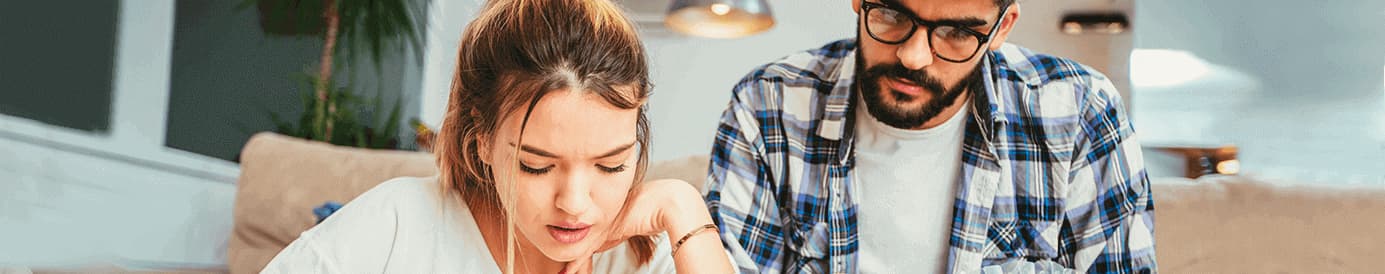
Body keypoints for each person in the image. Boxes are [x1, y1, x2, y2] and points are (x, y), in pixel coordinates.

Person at [263, 0, 733, 273]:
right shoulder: (395, 226)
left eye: (611, 165)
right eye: (536, 165)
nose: (575, 203)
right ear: (481, 138)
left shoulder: (650, 252)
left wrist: (684, 207)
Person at [704, 0, 1156, 272]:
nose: (913, 55)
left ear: (1002, 27)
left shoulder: (1080, 113)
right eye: (892, 14)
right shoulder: (769, 104)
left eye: (958, 32)